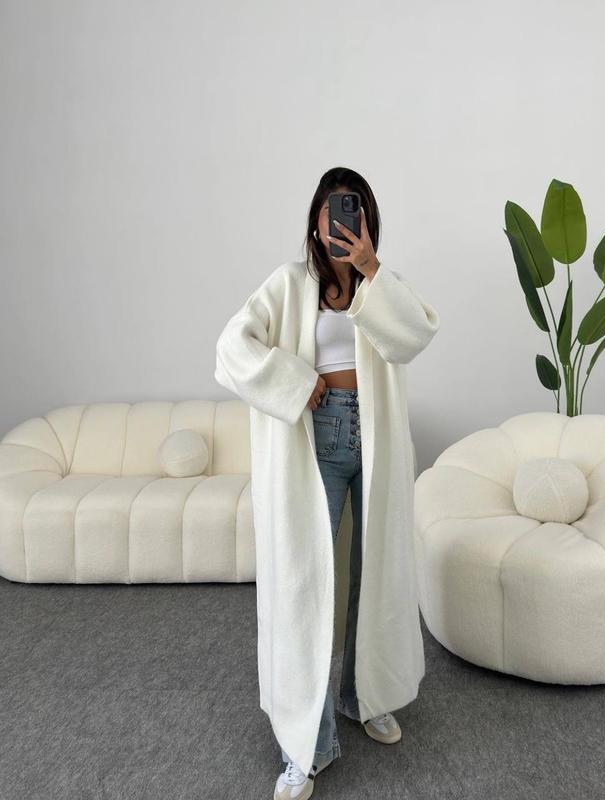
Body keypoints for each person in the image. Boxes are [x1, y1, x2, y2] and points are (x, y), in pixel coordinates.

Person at [214, 167, 441, 800]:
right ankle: (303, 744)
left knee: (377, 571)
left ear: (367, 220)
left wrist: (370, 268)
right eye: (332, 209)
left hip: (377, 437)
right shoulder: (290, 284)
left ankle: (365, 697)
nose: (341, 219)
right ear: (316, 220)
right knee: (305, 586)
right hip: (317, 436)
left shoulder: (379, 283)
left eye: (354, 208)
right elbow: (231, 347)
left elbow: (416, 335)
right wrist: (295, 381)